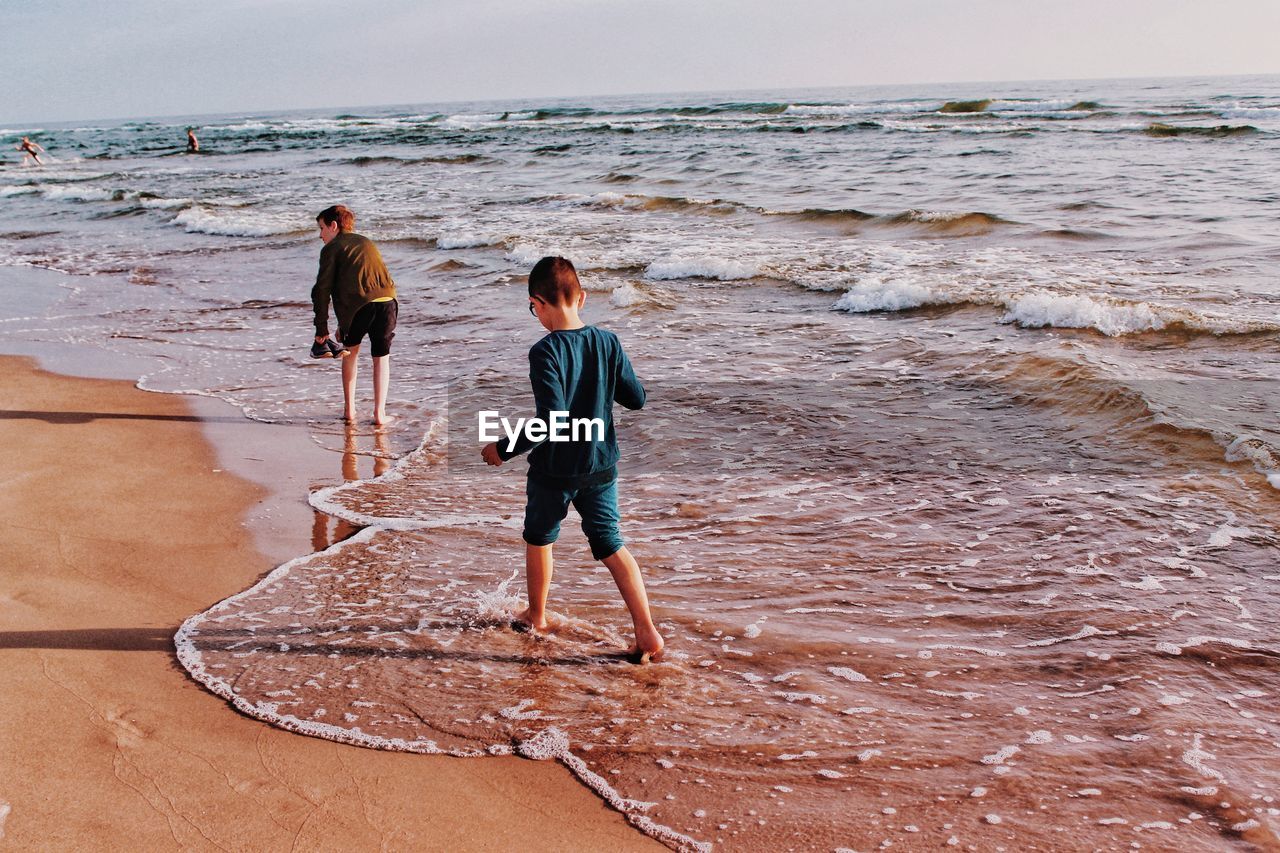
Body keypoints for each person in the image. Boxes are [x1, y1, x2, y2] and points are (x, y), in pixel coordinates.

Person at [481, 256, 664, 663]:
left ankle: (537, 615)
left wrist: (504, 448)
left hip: (554, 469)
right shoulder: (609, 342)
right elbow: (636, 399)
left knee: (539, 536)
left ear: (537, 303)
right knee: (611, 544)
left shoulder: (544, 351)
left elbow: (551, 420)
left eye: (534, 309)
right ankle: (646, 631)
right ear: (581, 297)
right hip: (601, 465)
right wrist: (600, 378)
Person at [310, 204, 398, 425]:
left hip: (359, 307)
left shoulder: (331, 248)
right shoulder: (366, 242)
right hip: (388, 302)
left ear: (333, 225)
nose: (320, 235)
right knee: (381, 357)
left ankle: (350, 410)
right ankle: (379, 414)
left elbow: (322, 290)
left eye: (321, 228)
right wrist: (342, 323)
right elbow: (367, 280)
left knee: (350, 353)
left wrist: (322, 329)